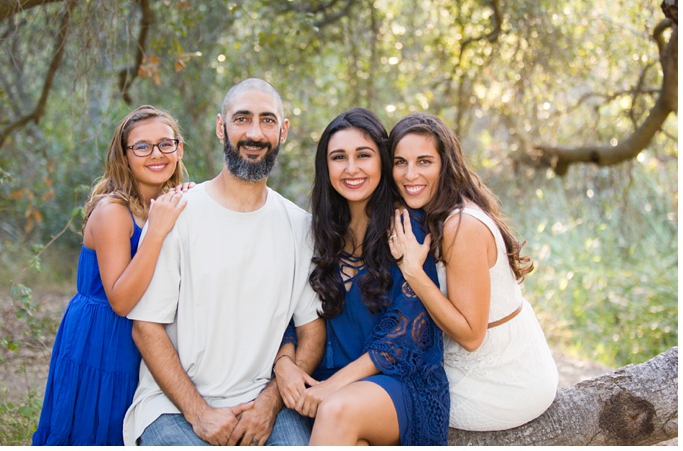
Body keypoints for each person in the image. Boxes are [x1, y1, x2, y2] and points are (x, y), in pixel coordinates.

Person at [122, 78, 326, 446]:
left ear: (283, 131)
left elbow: (312, 331)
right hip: (171, 407)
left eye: (267, 120)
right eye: (242, 119)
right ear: (221, 127)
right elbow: (145, 327)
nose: (254, 132)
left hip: (262, 407)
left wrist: (270, 403)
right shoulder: (178, 215)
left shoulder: (300, 227)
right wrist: (199, 413)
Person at [275, 108, 449, 446]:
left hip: (397, 384)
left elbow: (404, 336)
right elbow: (283, 310)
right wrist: (285, 362)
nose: (351, 168)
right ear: (326, 167)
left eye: (363, 155)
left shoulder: (406, 227)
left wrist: (332, 388)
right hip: (325, 383)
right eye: (339, 157)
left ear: (382, 162)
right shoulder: (316, 234)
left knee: (337, 411)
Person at [387, 112, 559, 431]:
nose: (410, 175)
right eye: (400, 162)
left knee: (382, 401)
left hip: (502, 386)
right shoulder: (442, 211)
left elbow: (471, 336)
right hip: (515, 368)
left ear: (445, 164)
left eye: (424, 162)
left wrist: (413, 272)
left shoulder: (461, 225)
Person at [33, 105, 191, 445]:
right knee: (97, 430)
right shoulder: (113, 211)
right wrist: (156, 231)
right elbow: (119, 300)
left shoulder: (170, 204)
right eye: (142, 146)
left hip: (147, 333)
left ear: (179, 149)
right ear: (125, 156)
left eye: (166, 143)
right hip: (101, 334)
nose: (156, 154)